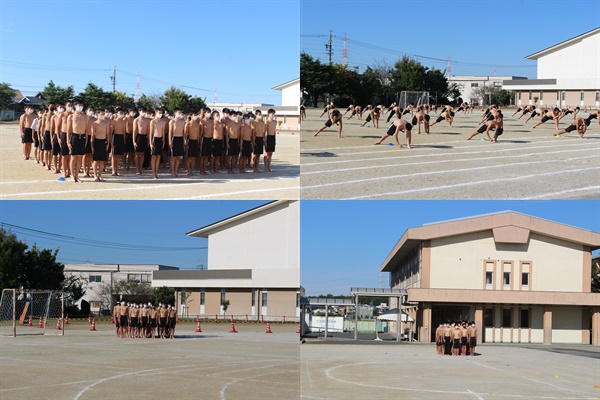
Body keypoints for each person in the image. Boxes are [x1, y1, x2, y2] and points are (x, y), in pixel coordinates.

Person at [66, 102, 88, 182]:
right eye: (79, 105)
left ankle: (77, 175)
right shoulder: (71, 116)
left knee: (79, 157)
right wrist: (68, 141)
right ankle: (72, 175)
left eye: (81, 105)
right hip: (74, 136)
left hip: (82, 137)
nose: (80, 107)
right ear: (75, 106)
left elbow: (86, 129)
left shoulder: (85, 116)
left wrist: (86, 140)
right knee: (73, 157)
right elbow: (68, 129)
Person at [90, 109, 112, 182]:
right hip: (96, 141)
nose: (103, 115)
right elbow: (92, 135)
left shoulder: (106, 123)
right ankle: (95, 175)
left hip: (103, 141)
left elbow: (108, 134)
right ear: (97, 115)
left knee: (102, 160)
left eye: (103, 114)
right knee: (96, 160)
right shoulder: (94, 124)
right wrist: (92, 145)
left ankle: (100, 175)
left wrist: (108, 143)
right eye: (101, 114)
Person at [149, 108, 168, 179]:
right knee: (154, 156)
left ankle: (156, 172)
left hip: (160, 139)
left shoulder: (163, 122)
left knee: (158, 156)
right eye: (159, 113)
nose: (160, 114)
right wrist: (150, 143)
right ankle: (153, 173)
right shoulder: (153, 122)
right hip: (155, 139)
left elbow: (163, 132)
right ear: (156, 113)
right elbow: (151, 132)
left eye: (161, 113)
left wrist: (163, 141)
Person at [133, 108, 150, 175]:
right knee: (137, 154)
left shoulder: (147, 120)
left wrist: (149, 140)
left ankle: (141, 168)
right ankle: (137, 169)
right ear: (139, 111)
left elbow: (148, 131)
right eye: (142, 111)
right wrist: (134, 141)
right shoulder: (136, 120)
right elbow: (134, 131)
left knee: (142, 153)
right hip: (138, 136)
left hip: (144, 137)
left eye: (144, 111)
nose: (143, 113)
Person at [169, 109, 186, 177]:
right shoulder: (172, 121)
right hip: (174, 138)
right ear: (175, 114)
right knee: (173, 157)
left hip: (180, 138)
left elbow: (184, 132)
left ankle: (176, 171)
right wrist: (170, 141)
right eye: (179, 113)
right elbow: (170, 132)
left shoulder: (183, 122)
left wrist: (184, 140)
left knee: (178, 157)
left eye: (181, 113)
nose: (180, 114)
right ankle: (172, 171)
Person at [111, 109, 127, 176]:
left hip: (121, 137)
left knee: (118, 156)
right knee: (114, 155)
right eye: (119, 113)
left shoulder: (123, 122)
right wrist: (111, 142)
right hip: (115, 137)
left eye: (122, 113)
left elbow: (124, 132)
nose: (121, 114)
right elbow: (111, 132)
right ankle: (113, 170)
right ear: (116, 114)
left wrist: (124, 140)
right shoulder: (114, 121)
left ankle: (116, 170)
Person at [200, 108, 213, 175]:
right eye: (207, 112)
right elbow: (201, 132)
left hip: (210, 139)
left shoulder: (211, 121)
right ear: (204, 113)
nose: (209, 114)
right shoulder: (202, 121)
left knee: (207, 156)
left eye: (209, 112)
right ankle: (201, 170)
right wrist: (200, 141)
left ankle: (204, 169)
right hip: (204, 139)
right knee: (202, 156)